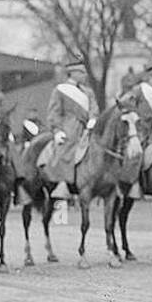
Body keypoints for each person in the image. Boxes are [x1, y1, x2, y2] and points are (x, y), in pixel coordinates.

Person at [39, 59, 98, 198]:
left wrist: (93, 119)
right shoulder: (60, 90)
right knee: (65, 150)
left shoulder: (88, 92)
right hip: (68, 128)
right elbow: (54, 112)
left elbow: (94, 107)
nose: (85, 75)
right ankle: (62, 183)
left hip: (87, 129)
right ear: (73, 73)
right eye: (82, 72)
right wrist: (57, 130)